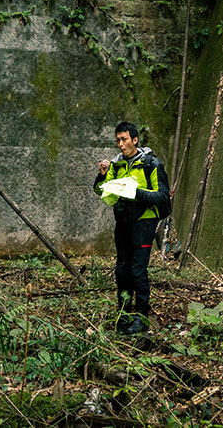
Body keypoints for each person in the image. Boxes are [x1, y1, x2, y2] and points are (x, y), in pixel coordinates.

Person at [94, 122, 170, 334]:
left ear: (135, 140)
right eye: (117, 140)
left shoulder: (152, 164)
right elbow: (101, 191)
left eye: (124, 139)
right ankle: (123, 315)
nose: (120, 144)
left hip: (144, 223)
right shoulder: (116, 164)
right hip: (123, 223)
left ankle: (141, 317)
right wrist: (102, 175)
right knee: (122, 270)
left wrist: (135, 193)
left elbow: (162, 195)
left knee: (137, 271)